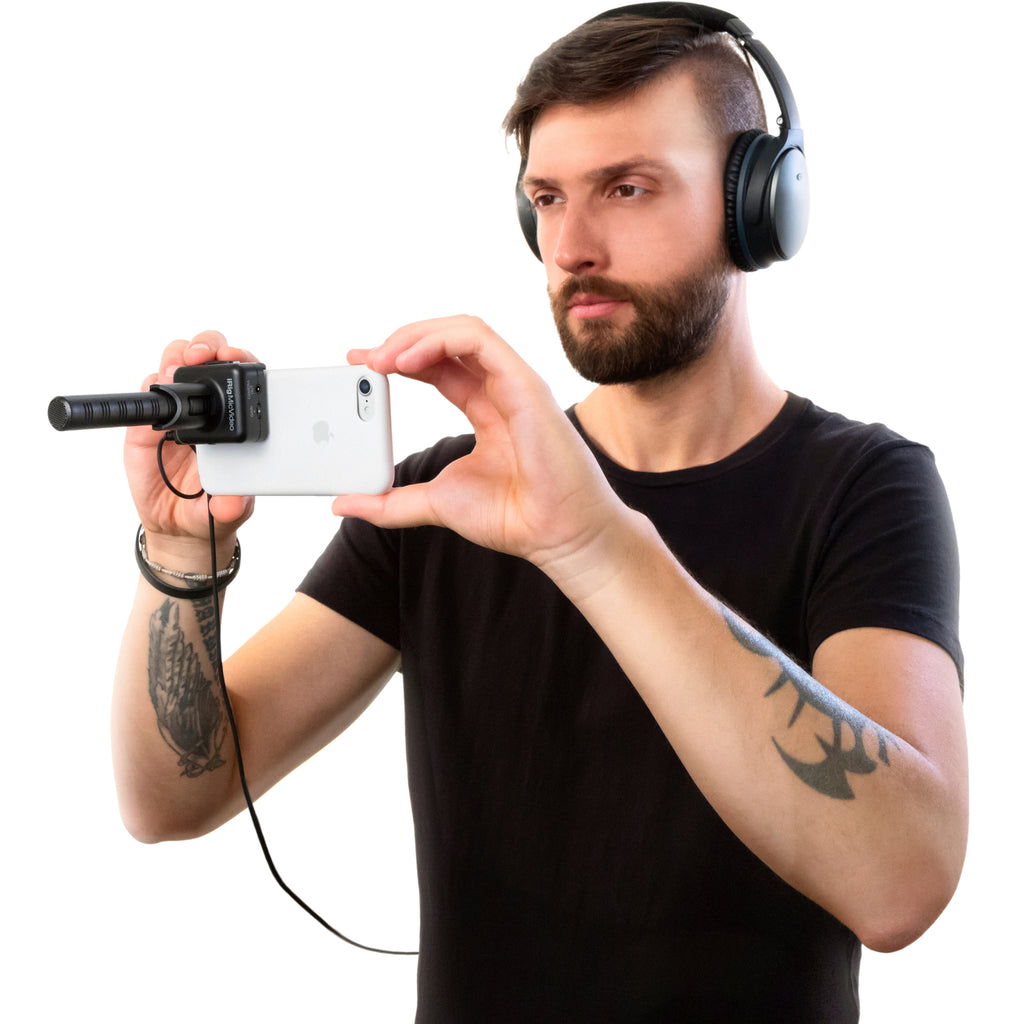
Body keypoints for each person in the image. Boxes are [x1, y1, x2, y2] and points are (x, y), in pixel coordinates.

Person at [113, 6, 967, 1021]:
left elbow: (900, 883)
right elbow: (171, 798)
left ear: (758, 206)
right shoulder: (447, 497)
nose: (570, 247)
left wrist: (592, 542)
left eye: (628, 188)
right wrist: (179, 555)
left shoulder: (866, 488)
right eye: (547, 199)